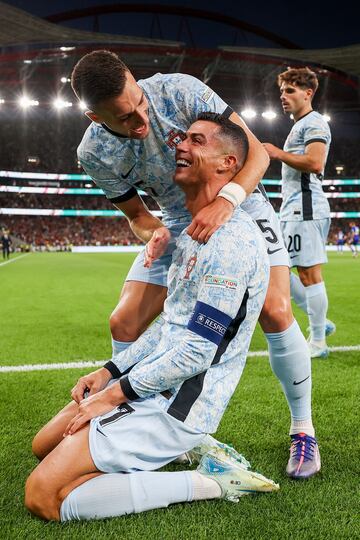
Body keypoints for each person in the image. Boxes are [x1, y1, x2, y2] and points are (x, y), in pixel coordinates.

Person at [68, 50, 320, 478]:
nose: (141, 121)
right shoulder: (94, 153)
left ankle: (303, 430)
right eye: (125, 119)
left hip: (242, 202)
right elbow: (138, 217)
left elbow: (255, 154)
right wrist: (154, 234)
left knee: (276, 311)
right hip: (178, 220)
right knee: (124, 322)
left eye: (140, 105)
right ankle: (145, 418)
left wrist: (226, 201)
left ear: (135, 79)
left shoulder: (179, 90)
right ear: (94, 117)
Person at [25, 114, 279, 522]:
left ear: (227, 163)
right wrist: (109, 371)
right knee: (44, 445)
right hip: (151, 385)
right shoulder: (195, 233)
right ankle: (128, 458)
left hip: (177, 405)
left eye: (196, 141)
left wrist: (112, 395)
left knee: (43, 497)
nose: (179, 146)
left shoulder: (230, 242)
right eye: (182, 138)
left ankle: (214, 480)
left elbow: (196, 353)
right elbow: (169, 325)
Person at [263, 67, 336, 359]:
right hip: (294, 208)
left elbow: (316, 163)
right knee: (275, 268)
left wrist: (277, 153)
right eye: (282, 91)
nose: (283, 96)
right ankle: (321, 322)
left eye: (290, 90)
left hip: (306, 208)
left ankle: (318, 340)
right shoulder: (300, 125)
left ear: (308, 93)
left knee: (308, 273)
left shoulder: (314, 122)